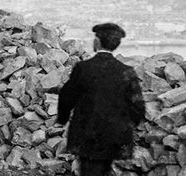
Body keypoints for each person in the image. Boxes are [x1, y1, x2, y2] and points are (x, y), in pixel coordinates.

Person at [57, 23, 145, 176]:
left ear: (97, 41)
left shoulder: (83, 68)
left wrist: (63, 118)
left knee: (89, 170)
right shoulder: (126, 72)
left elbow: (67, 96)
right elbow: (137, 106)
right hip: (114, 136)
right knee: (104, 169)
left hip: (86, 134)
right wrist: (130, 124)